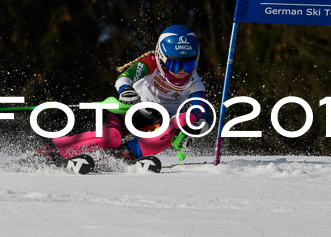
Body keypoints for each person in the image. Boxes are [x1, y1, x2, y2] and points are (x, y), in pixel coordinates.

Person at [37, 24, 212, 162]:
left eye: (188, 65)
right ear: (161, 58)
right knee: (111, 138)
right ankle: (56, 149)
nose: (181, 71)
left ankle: (126, 154)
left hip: (156, 124)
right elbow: (123, 78)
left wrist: (193, 129)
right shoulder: (150, 64)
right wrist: (126, 91)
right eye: (175, 65)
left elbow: (201, 114)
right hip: (128, 112)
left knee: (183, 120)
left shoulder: (195, 84)